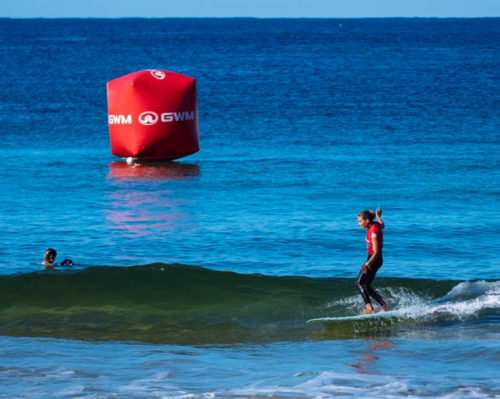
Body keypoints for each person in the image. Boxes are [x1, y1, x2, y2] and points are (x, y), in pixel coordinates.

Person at [356, 208, 390, 315]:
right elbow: (382, 225)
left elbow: (376, 252)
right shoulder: (375, 225)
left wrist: (367, 264)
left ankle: (369, 308)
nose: (359, 224)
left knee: (359, 283)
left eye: (360, 221)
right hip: (376, 260)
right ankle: (385, 306)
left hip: (374, 259)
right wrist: (379, 217)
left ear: (367, 220)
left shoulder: (373, 231)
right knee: (366, 285)